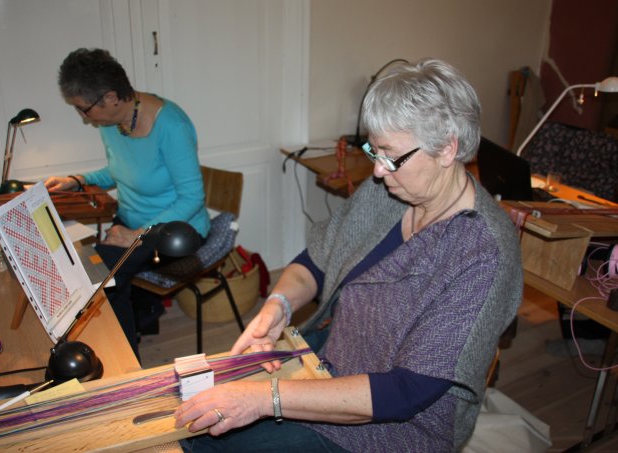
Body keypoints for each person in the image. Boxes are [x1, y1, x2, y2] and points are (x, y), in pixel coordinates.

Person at [174, 58, 523, 452]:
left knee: (210, 442)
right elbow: (316, 260)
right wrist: (279, 305)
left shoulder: (483, 254)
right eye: (374, 151)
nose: (378, 171)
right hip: (331, 355)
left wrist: (264, 399)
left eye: (391, 155)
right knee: (198, 418)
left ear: (447, 149)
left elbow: (406, 392)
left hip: (397, 426)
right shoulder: (387, 192)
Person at [45, 48, 210, 359]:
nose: (84, 118)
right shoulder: (112, 123)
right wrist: (77, 179)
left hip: (174, 231)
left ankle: (124, 364)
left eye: (83, 109)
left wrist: (137, 235)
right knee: (88, 267)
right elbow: (119, 170)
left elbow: (192, 197)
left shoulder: (171, 126)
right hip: (132, 223)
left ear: (110, 97)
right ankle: (121, 343)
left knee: (101, 279)